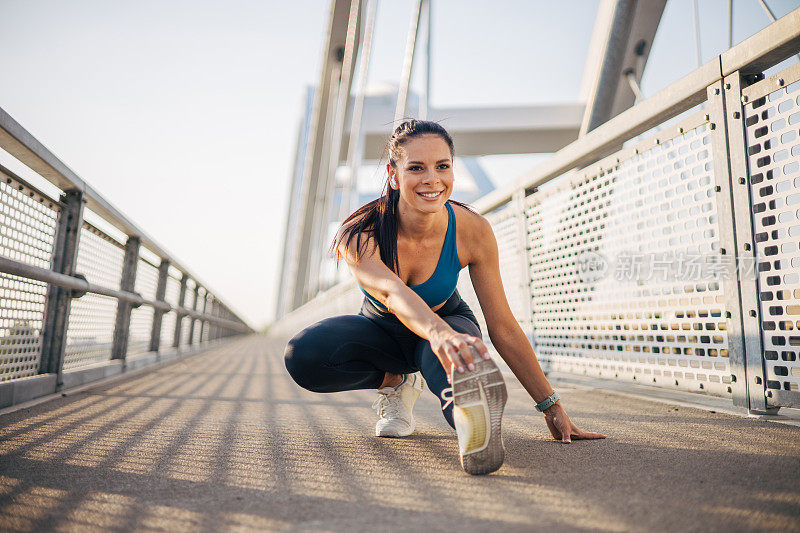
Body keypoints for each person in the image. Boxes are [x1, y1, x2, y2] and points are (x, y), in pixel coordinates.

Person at [284, 119, 605, 475]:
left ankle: (475, 431)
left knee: (456, 366)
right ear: (393, 174)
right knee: (304, 357)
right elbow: (391, 292)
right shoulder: (361, 235)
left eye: (442, 166)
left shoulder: (472, 230)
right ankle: (396, 381)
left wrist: (552, 405)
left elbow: (503, 326)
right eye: (416, 168)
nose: (432, 180)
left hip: (449, 322)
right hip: (382, 333)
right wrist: (437, 334)